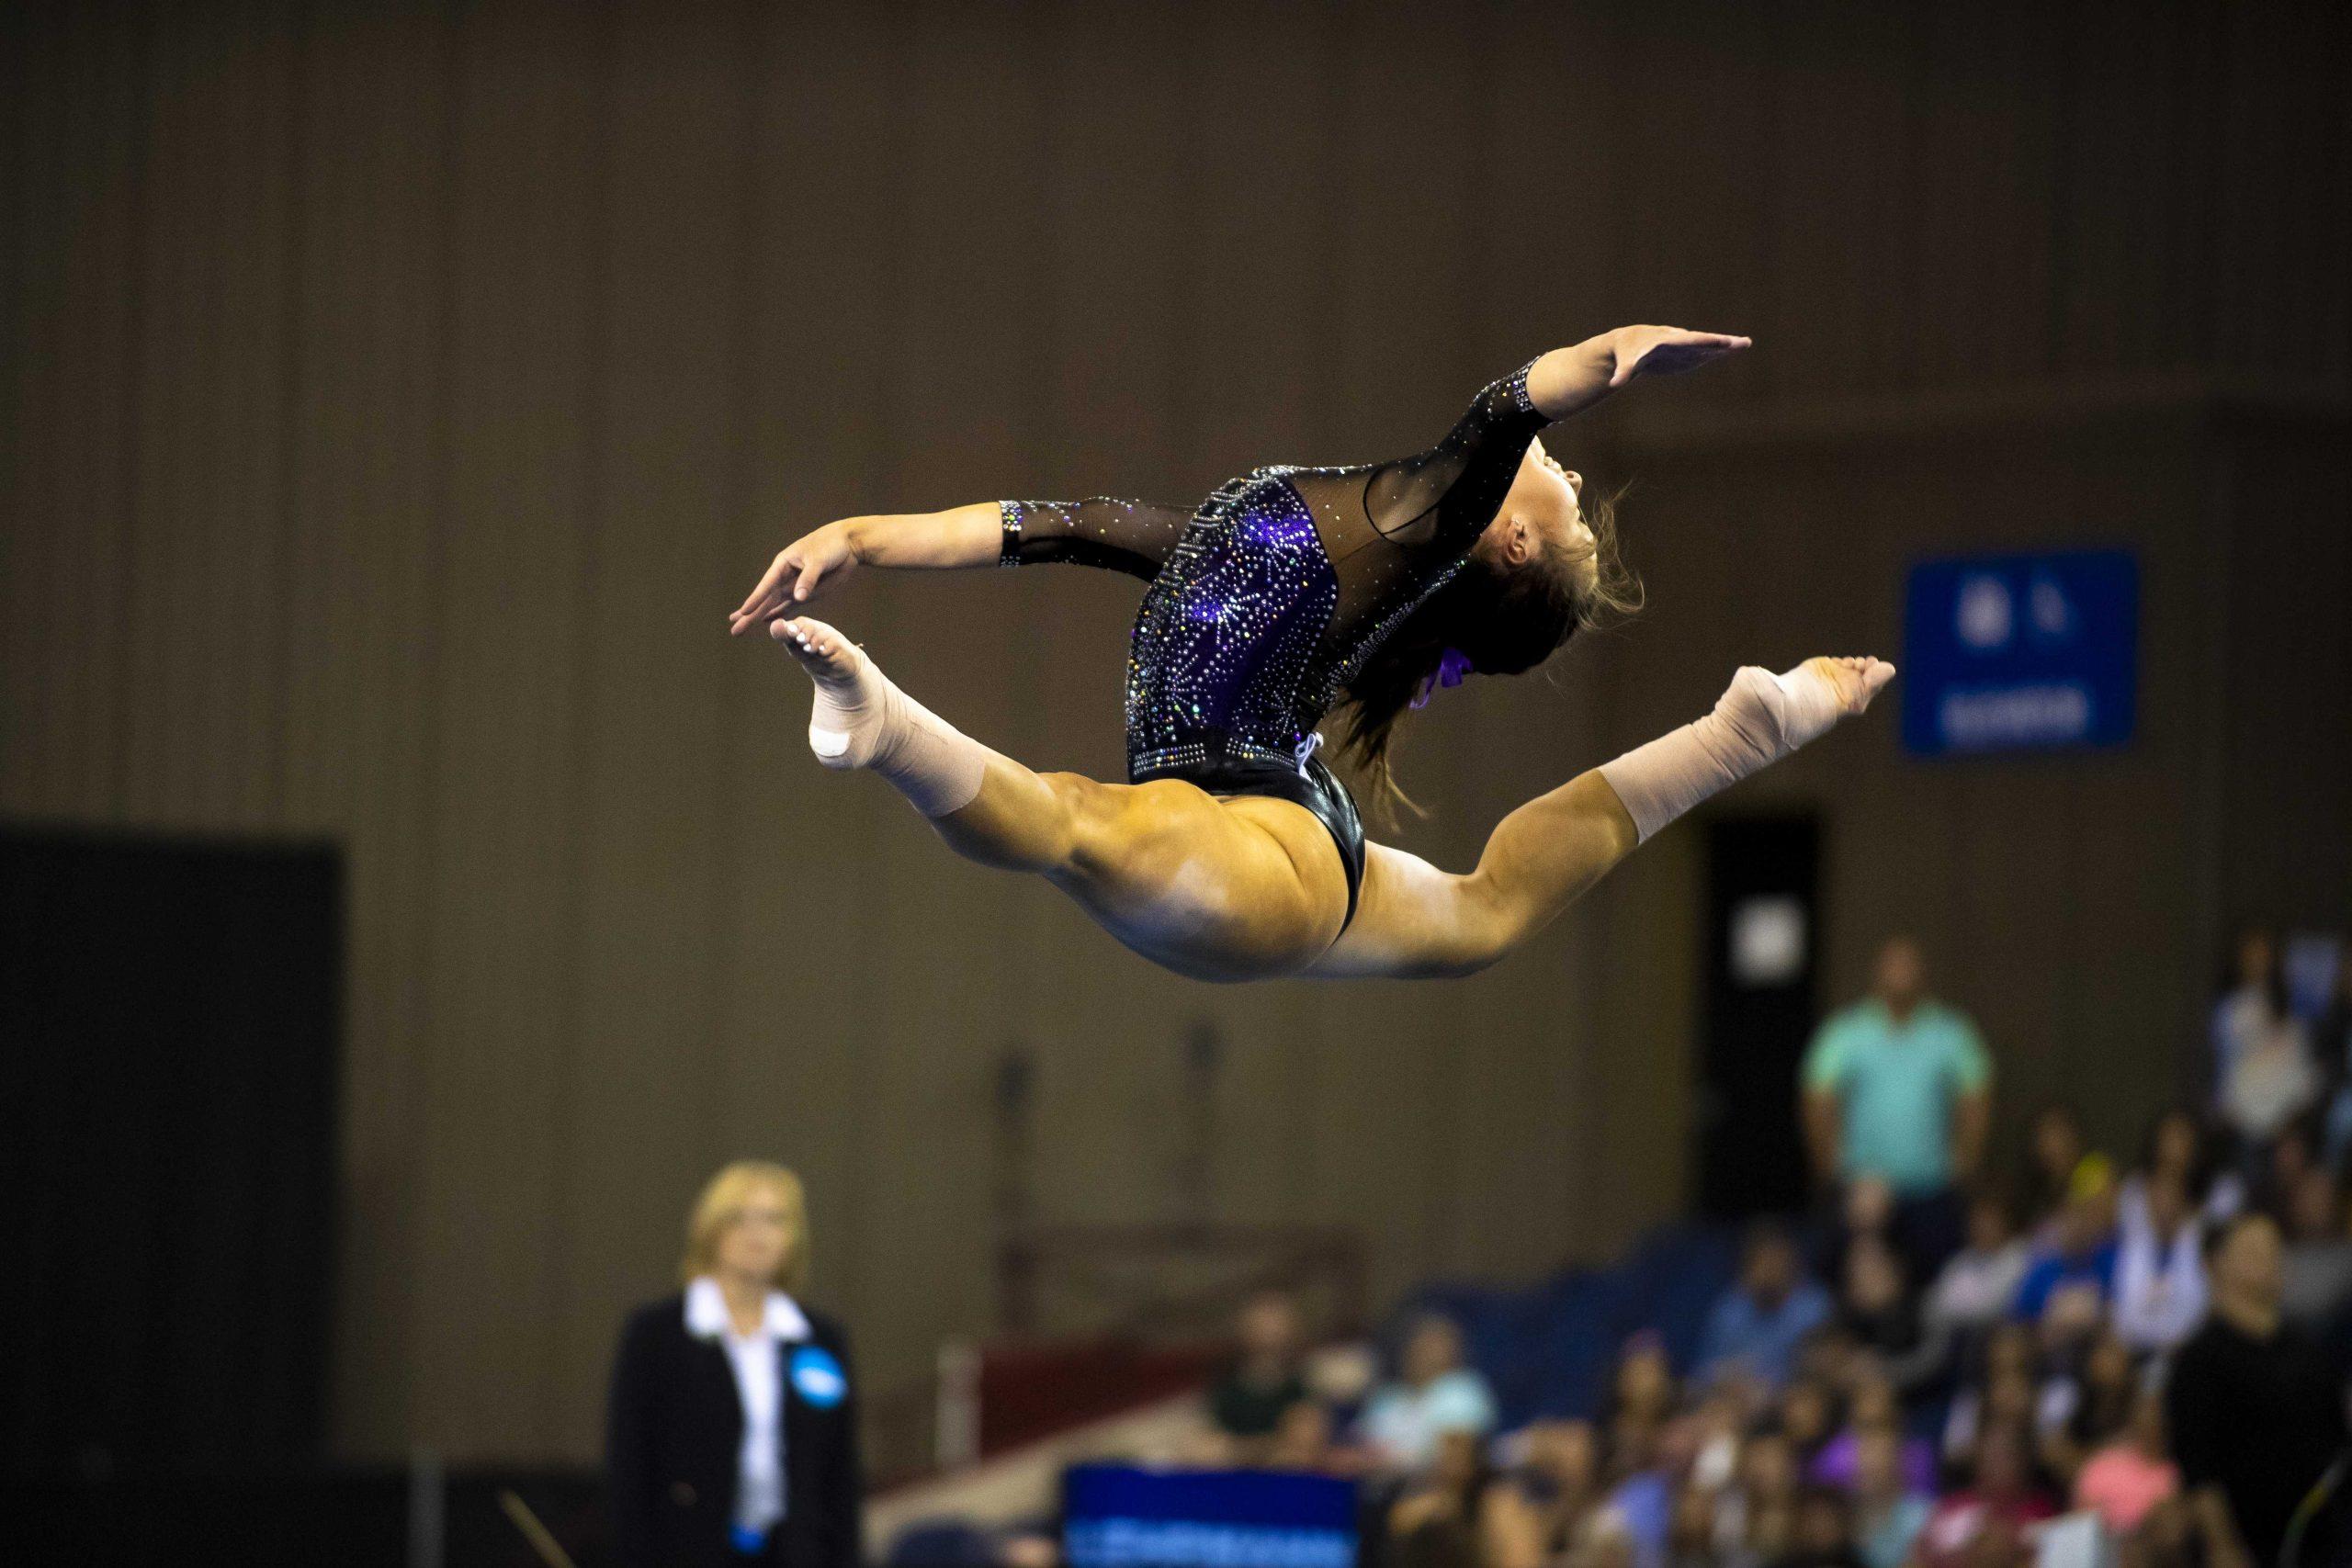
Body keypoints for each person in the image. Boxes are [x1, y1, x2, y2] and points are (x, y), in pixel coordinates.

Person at [731, 327, 1896, 985]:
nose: (1577, 484)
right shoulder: (1301, 540)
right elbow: (1062, 524)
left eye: (1572, 514)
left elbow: (1502, 413)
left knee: (1081, 822)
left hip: (1260, 845)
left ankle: (877, 727)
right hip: (1273, 829)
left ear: (1513, 534)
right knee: (1486, 911)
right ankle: (1746, 730)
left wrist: (1611, 358)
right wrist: (857, 538)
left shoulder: (1414, 522)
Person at [606, 1162, 860, 1568]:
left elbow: (839, 1474)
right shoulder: (658, 1335)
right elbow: (631, 1467)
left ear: (794, 1236)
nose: (756, 1234)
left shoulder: (819, 1338)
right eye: (740, 1218)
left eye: (774, 1220)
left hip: (795, 1551)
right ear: (711, 1229)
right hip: (687, 1549)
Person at [2166, 1212, 2351, 1568]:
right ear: (2216, 1264)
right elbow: (2198, 1467)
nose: (2271, 1259)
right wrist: (2223, 1546)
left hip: (2329, 1534)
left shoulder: (2308, 1345)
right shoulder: (2198, 1360)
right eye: (2255, 1250)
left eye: (2275, 1249)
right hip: (2255, 1544)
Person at [1800, 938, 1990, 1270]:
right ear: (1877, 972)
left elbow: (1976, 1099)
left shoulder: (1950, 1032)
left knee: (1935, 1275)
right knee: (1849, 1274)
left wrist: (1963, 1166)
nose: (1901, 975)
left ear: (1923, 974)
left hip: (1930, 1187)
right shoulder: (1846, 1031)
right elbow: (1817, 1100)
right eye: (1893, 966)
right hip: (1862, 1188)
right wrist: (1832, 1171)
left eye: (1908, 966)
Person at [2212, 927, 2318, 1156]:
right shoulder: (2228, 1011)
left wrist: (2290, 1118)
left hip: (2288, 1121)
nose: (2258, 961)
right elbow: (2225, 1069)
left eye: (2264, 954)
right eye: (2252, 954)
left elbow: (2303, 1067)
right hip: (2242, 1123)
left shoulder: (2294, 1006)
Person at [1699, 1224, 1835, 1390]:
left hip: (1791, 1397)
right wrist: (1725, 1376)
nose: (1768, 1271)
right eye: (1760, 1262)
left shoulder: (1813, 1308)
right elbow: (1702, 1374)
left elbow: (1820, 1371)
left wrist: (1766, 1385)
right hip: (1734, 1399)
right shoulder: (1730, 1309)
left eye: (1775, 1261)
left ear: (1791, 1264)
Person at [1361, 1312, 1498, 1472]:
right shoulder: (1386, 1395)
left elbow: (1457, 1461)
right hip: (1372, 1484)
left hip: (1429, 1486)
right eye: (1421, 1342)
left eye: (1436, 1344)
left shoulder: (1463, 1389)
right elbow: (1358, 1449)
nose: (1426, 1352)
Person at [1204, 1290, 1310, 1459]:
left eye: (1276, 1321)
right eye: (1262, 1322)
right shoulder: (1227, 1387)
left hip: (1281, 1468)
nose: (1269, 1330)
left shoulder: (1301, 1387)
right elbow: (1211, 1437)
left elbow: (1304, 1440)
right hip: (1234, 1463)